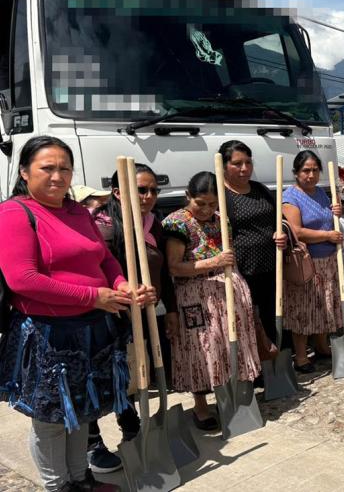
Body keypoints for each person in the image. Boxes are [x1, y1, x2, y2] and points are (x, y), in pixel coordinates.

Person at [0, 135, 155, 492]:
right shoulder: (14, 213)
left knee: (82, 408)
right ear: (24, 172)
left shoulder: (77, 212)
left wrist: (122, 285)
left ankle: (82, 480)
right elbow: (22, 279)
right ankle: (59, 487)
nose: (57, 176)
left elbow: (104, 258)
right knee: (52, 420)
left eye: (64, 168)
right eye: (47, 168)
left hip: (92, 327)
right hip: (48, 334)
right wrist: (92, 296)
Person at [85, 164, 179, 473]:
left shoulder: (153, 224)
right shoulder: (103, 228)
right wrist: (125, 295)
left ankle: (132, 427)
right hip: (108, 317)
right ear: (117, 192)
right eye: (141, 190)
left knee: (132, 377)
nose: (149, 196)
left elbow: (162, 271)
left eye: (153, 190)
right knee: (103, 379)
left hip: (145, 311)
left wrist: (171, 309)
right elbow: (97, 275)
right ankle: (92, 442)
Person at [162, 171, 261, 430]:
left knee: (229, 345)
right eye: (200, 203)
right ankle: (201, 406)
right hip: (195, 295)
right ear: (188, 196)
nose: (206, 209)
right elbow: (174, 267)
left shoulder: (221, 219)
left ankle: (231, 396)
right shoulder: (176, 224)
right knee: (201, 349)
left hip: (226, 292)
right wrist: (213, 262)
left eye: (212, 203)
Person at [219, 141, 287, 348]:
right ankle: (252, 361)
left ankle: (274, 356)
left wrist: (281, 233)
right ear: (223, 166)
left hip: (271, 266)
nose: (244, 168)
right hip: (241, 270)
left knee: (271, 314)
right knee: (246, 318)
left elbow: (280, 220)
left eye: (248, 162)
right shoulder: (220, 195)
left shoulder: (260, 189)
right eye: (237, 164)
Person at [282, 150, 343, 373]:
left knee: (324, 306)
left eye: (315, 170)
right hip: (306, 263)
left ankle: (321, 346)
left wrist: (336, 211)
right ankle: (300, 357)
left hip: (328, 260)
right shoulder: (290, 197)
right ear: (296, 173)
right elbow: (296, 231)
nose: (311, 175)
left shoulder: (321, 193)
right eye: (306, 170)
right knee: (303, 309)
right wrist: (327, 236)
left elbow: (329, 219)